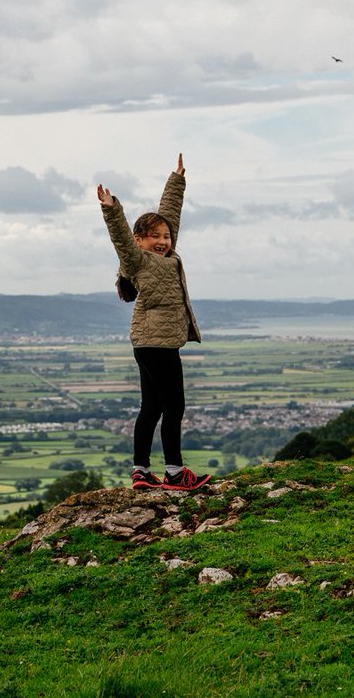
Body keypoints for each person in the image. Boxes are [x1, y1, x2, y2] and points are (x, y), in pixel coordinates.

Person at [97, 153, 211, 492]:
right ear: (139, 241)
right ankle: (175, 472)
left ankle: (141, 471)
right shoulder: (137, 260)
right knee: (173, 406)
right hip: (156, 345)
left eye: (166, 237)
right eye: (155, 237)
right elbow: (119, 236)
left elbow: (169, 214)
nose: (163, 241)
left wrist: (176, 181)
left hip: (152, 343)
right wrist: (111, 208)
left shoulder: (167, 254)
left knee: (152, 407)